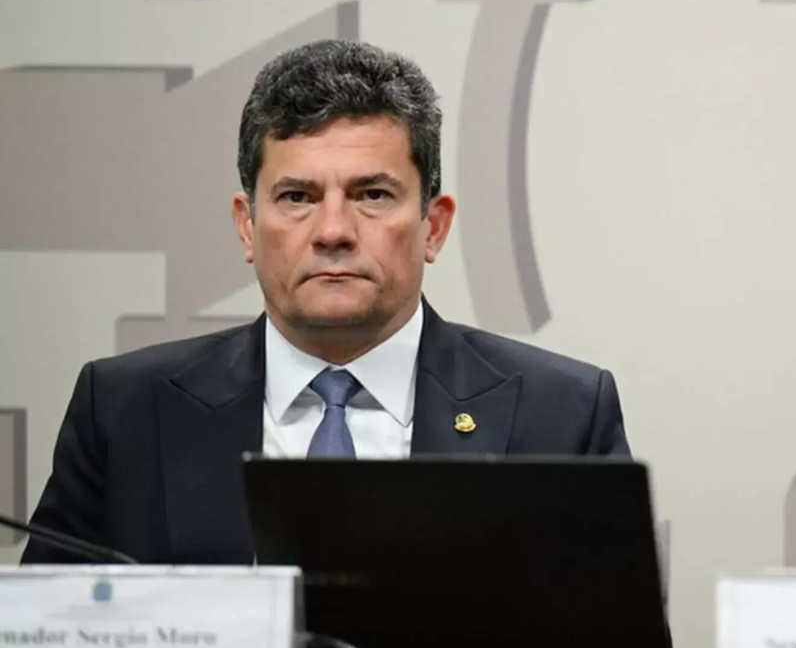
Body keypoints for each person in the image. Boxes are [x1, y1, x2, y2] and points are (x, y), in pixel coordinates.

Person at [24, 39, 629, 564]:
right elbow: (46, 645)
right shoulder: (124, 413)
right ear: (247, 226)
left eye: (372, 195)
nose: (333, 231)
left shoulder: (563, 417)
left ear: (434, 226)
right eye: (296, 197)